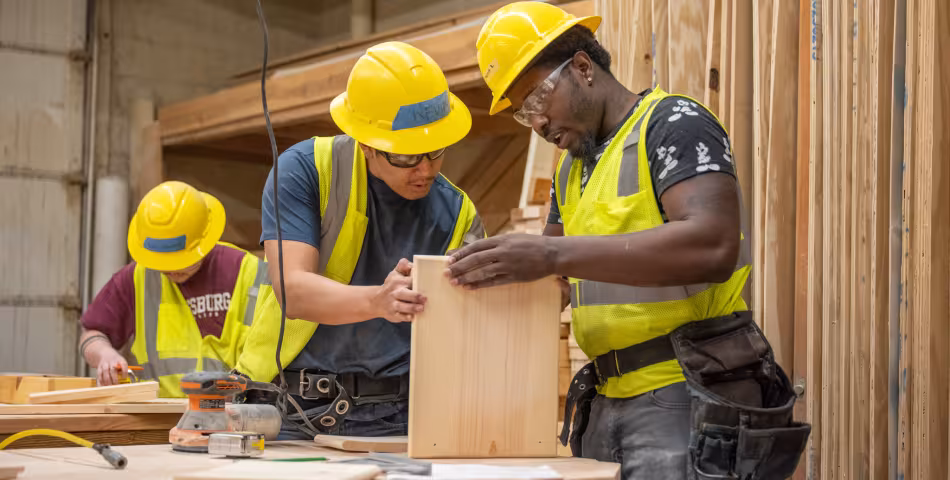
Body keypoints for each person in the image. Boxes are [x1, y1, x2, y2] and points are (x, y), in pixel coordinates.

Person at [448, 3, 807, 479]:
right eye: (522, 114)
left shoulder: (674, 123)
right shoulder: (570, 168)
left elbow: (712, 246)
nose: (536, 123)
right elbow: (551, 279)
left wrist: (549, 253)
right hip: (605, 398)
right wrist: (461, 282)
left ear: (582, 68)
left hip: (682, 391)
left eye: (537, 100)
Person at [235, 41, 484, 439]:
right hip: (295, 413)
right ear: (367, 145)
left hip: (402, 416)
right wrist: (378, 301)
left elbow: (466, 326)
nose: (424, 169)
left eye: (435, 151)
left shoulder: (457, 212)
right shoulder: (307, 171)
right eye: (406, 156)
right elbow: (293, 291)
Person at [79, 181, 268, 397]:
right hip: (161, 423)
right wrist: (105, 355)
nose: (170, 270)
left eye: (179, 261)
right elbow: (91, 333)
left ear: (203, 239)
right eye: (162, 263)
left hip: (236, 420)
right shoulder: (136, 277)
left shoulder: (249, 272)